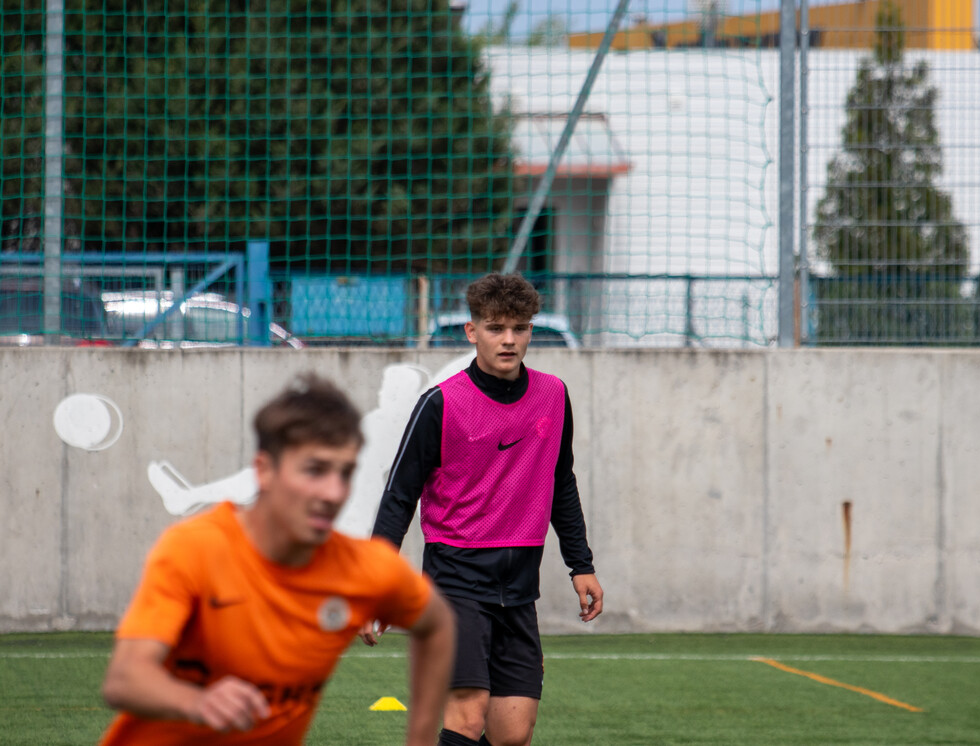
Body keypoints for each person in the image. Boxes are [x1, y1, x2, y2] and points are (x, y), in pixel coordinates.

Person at [99, 373, 455, 745]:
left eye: (346, 473)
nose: (334, 492)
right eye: (315, 470)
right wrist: (197, 701)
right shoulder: (193, 549)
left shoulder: (365, 569)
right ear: (264, 470)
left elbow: (438, 624)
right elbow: (125, 679)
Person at [367, 272, 604, 746]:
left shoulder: (553, 396)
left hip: (520, 583)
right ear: (472, 331)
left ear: (531, 330)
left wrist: (581, 564)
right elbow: (399, 495)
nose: (509, 339)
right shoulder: (441, 403)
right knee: (466, 715)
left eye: (519, 328)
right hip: (455, 577)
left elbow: (561, 481)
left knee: (512, 733)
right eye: (496, 328)